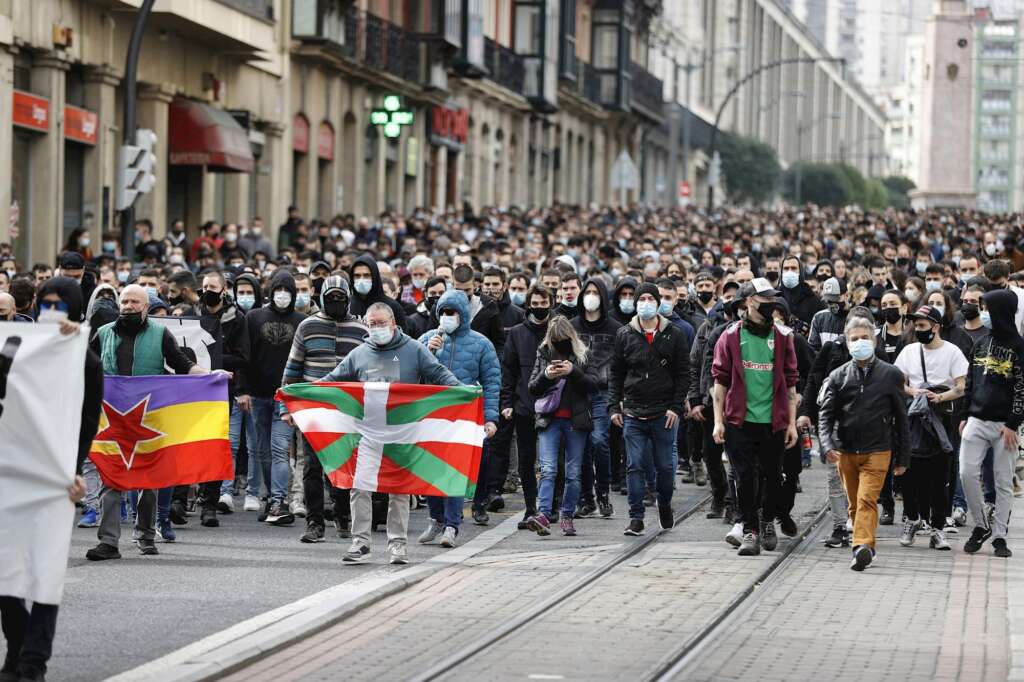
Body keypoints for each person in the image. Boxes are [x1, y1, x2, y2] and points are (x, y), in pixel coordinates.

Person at [320, 302, 459, 565]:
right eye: (371, 324)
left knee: (400, 490)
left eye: (381, 323)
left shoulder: (414, 350)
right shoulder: (359, 354)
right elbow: (330, 381)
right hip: (368, 433)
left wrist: (463, 392)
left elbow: (439, 374)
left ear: (393, 323)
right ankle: (360, 542)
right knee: (359, 487)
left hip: (402, 433)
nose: (376, 329)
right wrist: (300, 393)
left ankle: (398, 545)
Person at [85, 284, 207, 561]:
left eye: (134, 302)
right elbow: (87, 369)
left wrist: (212, 375)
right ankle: (108, 542)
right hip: (113, 421)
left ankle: (146, 535)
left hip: (149, 419)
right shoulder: (103, 334)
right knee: (111, 480)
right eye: (124, 301)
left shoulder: (160, 334)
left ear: (146, 307)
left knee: (149, 482)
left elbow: (182, 364)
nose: (128, 306)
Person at [712, 278, 799, 556]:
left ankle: (767, 518)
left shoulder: (784, 337)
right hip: (740, 421)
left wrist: (792, 423)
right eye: (765, 299)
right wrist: (718, 420)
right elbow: (720, 382)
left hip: (773, 421)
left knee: (773, 477)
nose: (771, 304)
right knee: (745, 477)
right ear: (749, 301)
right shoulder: (731, 336)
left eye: (773, 299)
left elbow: (791, 382)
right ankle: (750, 529)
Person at [818, 315, 910, 570]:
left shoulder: (891, 374)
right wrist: (826, 445)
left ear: (874, 339)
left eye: (865, 338)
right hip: (846, 450)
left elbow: (902, 417)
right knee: (855, 502)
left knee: (868, 499)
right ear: (847, 343)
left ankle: (861, 546)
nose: (860, 343)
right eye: (854, 339)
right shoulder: (837, 376)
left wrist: (903, 457)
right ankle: (865, 544)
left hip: (879, 448)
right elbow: (825, 415)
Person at [281, 276, 368, 543]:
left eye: (340, 299)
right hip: (313, 409)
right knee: (312, 467)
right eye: (330, 299)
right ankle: (314, 522)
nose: (335, 304)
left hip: (346, 410)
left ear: (348, 299)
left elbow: (367, 369)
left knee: (342, 466)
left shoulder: (360, 328)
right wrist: (287, 408)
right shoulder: (307, 327)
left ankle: (342, 516)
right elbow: (292, 368)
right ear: (322, 299)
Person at [416, 290, 500, 545]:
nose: (446, 317)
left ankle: (452, 525)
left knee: (454, 471)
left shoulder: (482, 344)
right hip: (431, 416)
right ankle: (436, 519)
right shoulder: (427, 339)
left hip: (463, 418)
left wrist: (490, 418)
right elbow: (410, 372)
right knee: (430, 470)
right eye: (442, 312)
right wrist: (426, 351)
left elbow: (492, 382)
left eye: (451, 312)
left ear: (462, 314)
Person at [609, 282, 690, 536]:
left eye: (649, 298)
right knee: (634, 465)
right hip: (633, 411)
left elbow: (683, 374)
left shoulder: (673, 334)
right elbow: (616, 373)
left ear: (657, 303)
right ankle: (636, 517)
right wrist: (614, 405)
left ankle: (664, 503)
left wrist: (676, 407)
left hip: (663, 413)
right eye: (641, 298)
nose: (645, 303)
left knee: (665, 467)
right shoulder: (624, 334)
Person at [894, 305, 968, 551]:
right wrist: (914, 391)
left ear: (936, 327)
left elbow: (961, 386)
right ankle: (912, 518)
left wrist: (941, 397)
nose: (918, 329)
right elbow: (898, 381)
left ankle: (937, 528)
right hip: (914, 416)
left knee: (940, 476)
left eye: (923, 326)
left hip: (941, 418)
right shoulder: (909, 351)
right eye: (916, 325)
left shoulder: (953, 352)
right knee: (909, 471)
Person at [959, 289, 1024, 558]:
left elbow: (1022, 389)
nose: (983, 313)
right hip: (976, 419)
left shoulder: (1020, 348)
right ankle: (981, 524)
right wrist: (964, 416)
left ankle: (1000, 536)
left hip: (1004, 427)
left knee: (1002, 482)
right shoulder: (980, 344)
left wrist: (1012, 423)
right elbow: (970, 382)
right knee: (967, 473)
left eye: (987, 308)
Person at [525, 316, 600, 536]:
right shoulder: (543, 353)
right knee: (548, 469)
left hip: (576, 421)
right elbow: (532, 387)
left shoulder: (583, 355)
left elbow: (595, 385)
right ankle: (544, 514)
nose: (559, 345)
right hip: (550, 419)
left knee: (573, 472)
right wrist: (546, 375)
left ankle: (567, 515)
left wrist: (573, 372)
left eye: (563, 340)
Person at [244, 270, 307, 526]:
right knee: (262, 451)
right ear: (271, 291)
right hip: (258, 395)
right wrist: (243, 389)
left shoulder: (301, 321)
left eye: (287, 290)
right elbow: (245, 356)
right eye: (278, 289)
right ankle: (272, 497)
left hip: (285, 396)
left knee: (280, 448)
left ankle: (279, 500)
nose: (282, 295)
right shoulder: (254, 317)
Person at [501, 283, 554, 528]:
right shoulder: (517, 333)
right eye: (536, 303)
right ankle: (531, 506)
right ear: (529, 305)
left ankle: (550, 505)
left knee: (552, 460)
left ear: (550, 304)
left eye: (544, 304)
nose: (540, 308)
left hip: (553, 405)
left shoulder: (558, 330)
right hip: (524, 405)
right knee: (526, 459)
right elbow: (508, 371)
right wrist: (507, 402)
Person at [571, 278, 622, 519]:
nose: (591, 296)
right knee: (581, 448)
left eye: (595, 292)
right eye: (587, 292)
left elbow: (622, 364)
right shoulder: (572, 326)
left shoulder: (615, 328)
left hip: (603, 393)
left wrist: (618, 395)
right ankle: (586, 498)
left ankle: (602, 493)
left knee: (600, 441)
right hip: (578, 393)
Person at [348, 255, 407, 329]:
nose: (361, 280)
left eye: (366, 275)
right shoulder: (347, 304)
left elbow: (402, 337)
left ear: (375, 276)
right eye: (357, 276)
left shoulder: (393, 306)